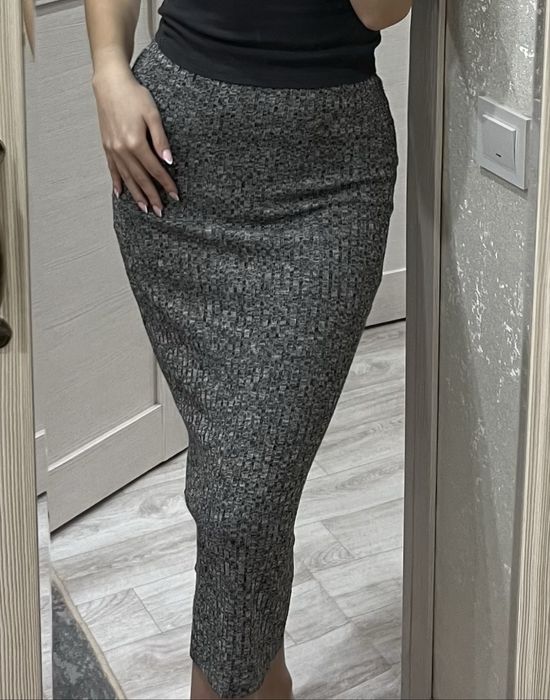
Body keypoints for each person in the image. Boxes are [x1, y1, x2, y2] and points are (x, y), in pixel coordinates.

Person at [84, 1, 411, 698]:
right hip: (175, 171)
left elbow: (383, 11)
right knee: (237, 496)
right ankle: (262, 679)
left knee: (243, 502)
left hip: (326, 186)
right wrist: (108, 69)